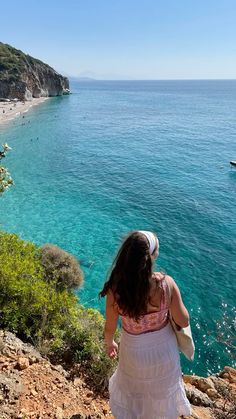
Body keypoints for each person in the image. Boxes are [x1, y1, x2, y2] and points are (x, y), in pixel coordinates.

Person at [99, 231, 191, 419]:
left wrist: (110, 343)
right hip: (164, 350)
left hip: (133, 350)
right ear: (152, 256)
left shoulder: (115, 289)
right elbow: (183, 320)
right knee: (161, 395)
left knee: (135, 392)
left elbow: (110, 326)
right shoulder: (167, 284)